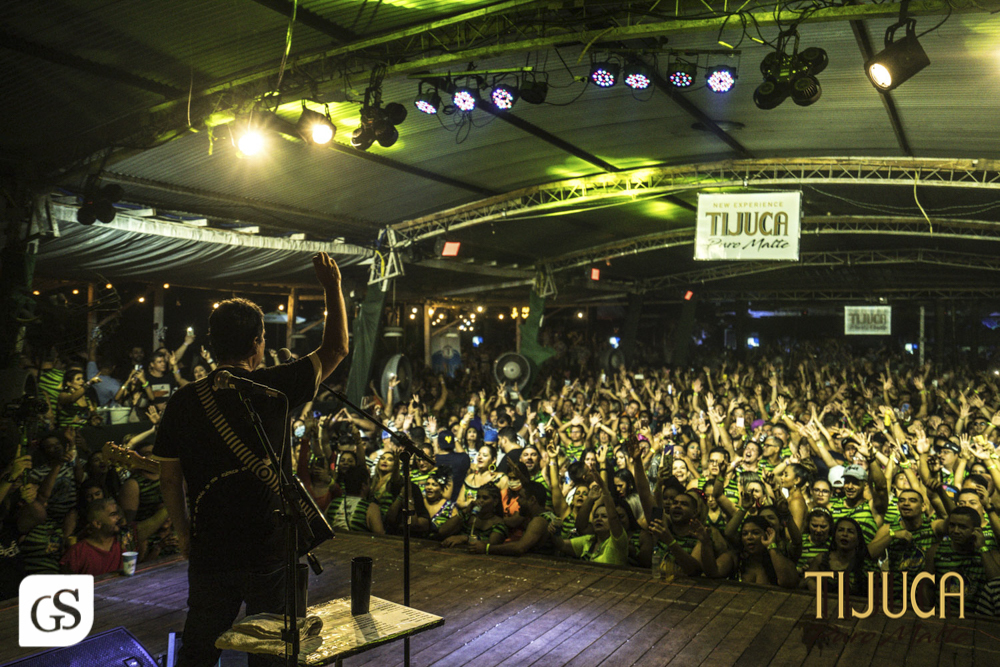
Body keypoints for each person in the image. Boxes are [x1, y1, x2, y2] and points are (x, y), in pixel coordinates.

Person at [152, 252, 348, 667]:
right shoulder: (275, 388)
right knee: (271, 653)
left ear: (210, 345)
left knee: (199, 649)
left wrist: (184, 534)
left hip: (210, 547)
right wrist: (332, 286)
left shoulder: (182, 401)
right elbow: (336, 348)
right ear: (259, 343)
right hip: (268, 545)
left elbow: (169, 479)